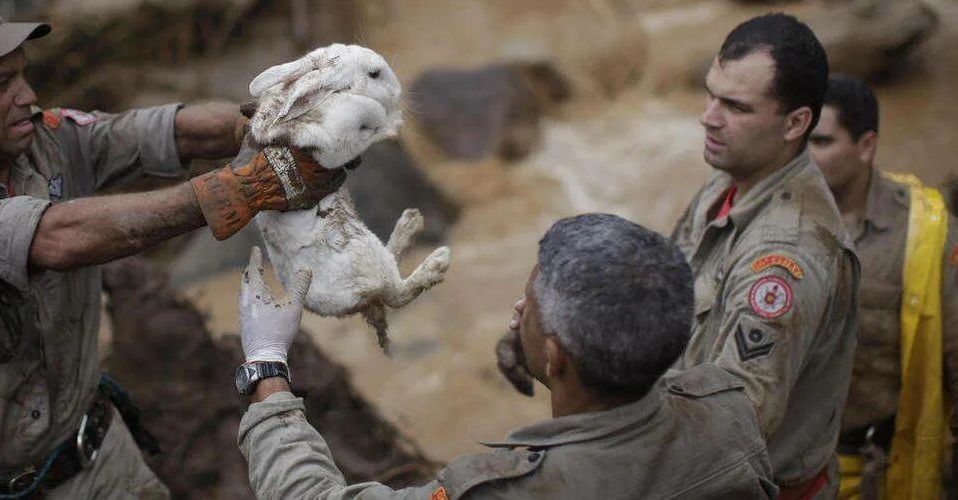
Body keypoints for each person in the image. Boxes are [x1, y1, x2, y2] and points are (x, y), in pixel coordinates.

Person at [0, 0, 344, 498]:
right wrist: (245, 189)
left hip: (99, 459)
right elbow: (55, 237)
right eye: (0, 84)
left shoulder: (46, 139)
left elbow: (166, 133)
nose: (26, 95)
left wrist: (272, 127)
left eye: (22, 74)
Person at [499, 13, 859, 497]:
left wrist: (578, 383)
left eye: (735, 106)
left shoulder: (785, 260)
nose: (708, 116)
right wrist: (549, 335)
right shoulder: (732, 178)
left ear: (796, 123)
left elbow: (736, 430)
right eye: (711, 94)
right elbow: (657, 310)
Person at [235, 213, 777, 498]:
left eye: (532, 304)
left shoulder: (509, 490)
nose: (519, 305)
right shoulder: (730, 410)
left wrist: (266, 365)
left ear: (558, 356)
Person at [808, 74, 958, 498]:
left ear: (866, 146)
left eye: (821, 142)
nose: (803, 156)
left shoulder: (927, 235)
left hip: (878, 469)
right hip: (782, 464)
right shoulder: (773, 216)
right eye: (799, 139)